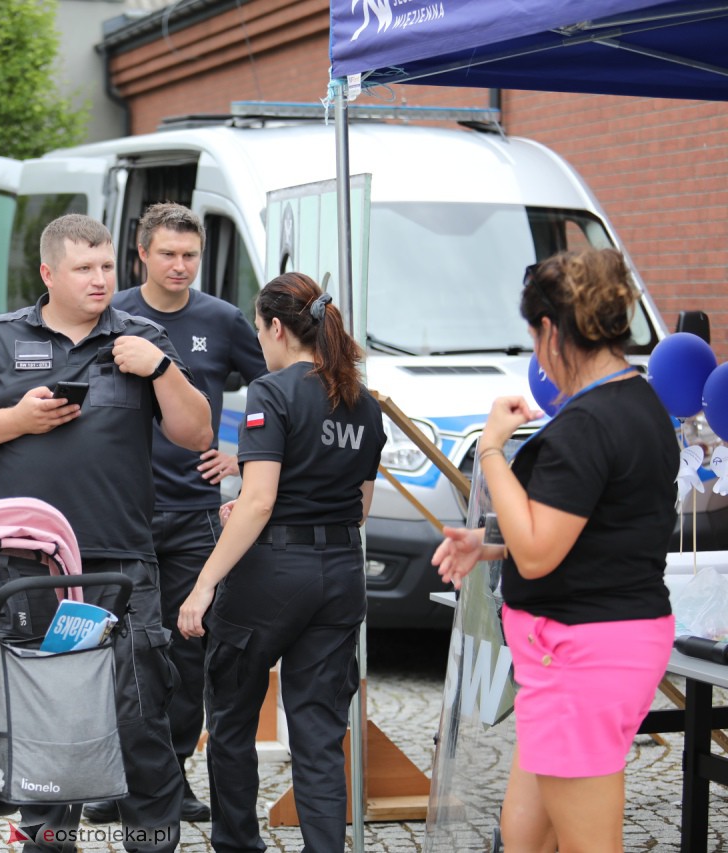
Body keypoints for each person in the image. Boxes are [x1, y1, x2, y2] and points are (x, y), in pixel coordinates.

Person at [0, 213, 213, 853]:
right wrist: (17, 420)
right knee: (43, 713)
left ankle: (152, 841)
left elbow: (197, 434)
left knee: (139, 713)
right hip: (30, 566)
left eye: (107, 266)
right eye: (84, 268)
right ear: (49, 273)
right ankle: (48, 840)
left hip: (122, 564)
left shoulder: (142, 337)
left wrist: (162, 370)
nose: (99, 279)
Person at [431, 248, 677, 853]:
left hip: (580, 652)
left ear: (551, 330)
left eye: (534, 338)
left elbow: (540, 553)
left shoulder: (587, 423)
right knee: (524, 833)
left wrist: (492, 449)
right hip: (596, 644)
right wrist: (491, 544)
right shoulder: (639, 402)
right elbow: (598, 527)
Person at [177, 272, 386, 853]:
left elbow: (261, 501)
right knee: (319, 735)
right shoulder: (365, 403)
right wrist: (259, 504)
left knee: (232, 719)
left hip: (271, 575)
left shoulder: (271, 391)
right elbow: (359, 508)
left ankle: (239, 844)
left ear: (275, 328)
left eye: (258, 331)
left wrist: (203, 585)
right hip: (339, 573)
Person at [93, 202, 267, 824]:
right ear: (142, 254)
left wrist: (244, 454)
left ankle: (171, 780)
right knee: (120, 652)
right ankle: (115, 782)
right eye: (167, 253)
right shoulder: (111, 316)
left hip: (195, 513)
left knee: (188, 653)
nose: (180, 265)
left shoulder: (221, 320)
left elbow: (276, 388)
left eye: (190, 255)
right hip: (122, 513)